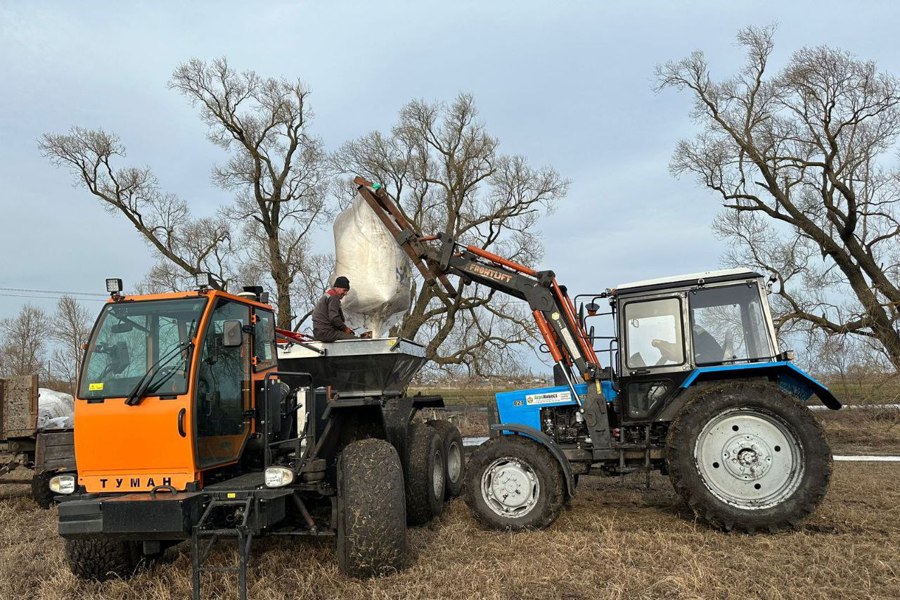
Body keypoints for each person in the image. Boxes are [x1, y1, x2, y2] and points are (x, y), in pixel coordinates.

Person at [312, 276, 357, 341]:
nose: (346, 293)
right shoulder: (334, 297)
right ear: (337, 287)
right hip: (327, 333)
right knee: (357, 341)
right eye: (344, 290)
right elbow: (334, 318)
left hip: (319, 332)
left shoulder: (328, 295)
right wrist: (345, 329)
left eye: (347, 291)